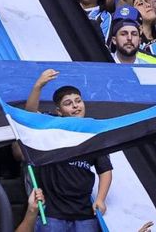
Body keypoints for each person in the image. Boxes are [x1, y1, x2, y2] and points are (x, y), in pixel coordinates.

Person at [23, 69, 112, 229]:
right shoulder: (51, 128)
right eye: (68, 103)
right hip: (53, 214)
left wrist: (100, 198)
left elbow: (105, 170)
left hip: (85, 214)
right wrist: (38, 86)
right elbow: (30, 116)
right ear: (59, 111)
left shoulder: (93, 132)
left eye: (78, 101)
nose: (75, 106)